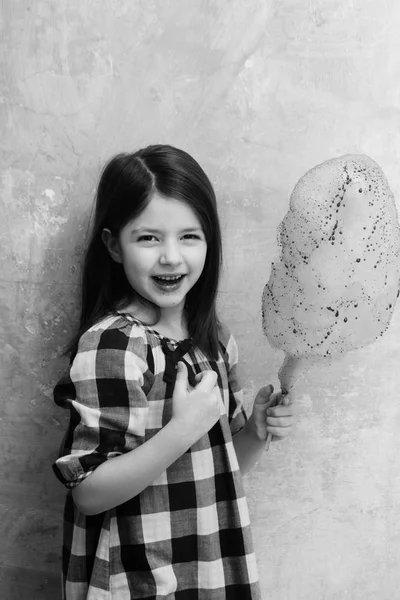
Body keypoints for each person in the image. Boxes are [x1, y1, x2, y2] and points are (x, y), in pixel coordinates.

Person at [52, 144, 295, 600]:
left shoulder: (216, 342)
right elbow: (89, 492)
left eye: (190, 236)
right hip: (136, 576)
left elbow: (224, 467)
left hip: (206, 570)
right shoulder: (115, 344)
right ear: (113, 245)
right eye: (148, 238)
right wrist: (182, 428)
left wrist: (256, 433)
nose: (170, 257)